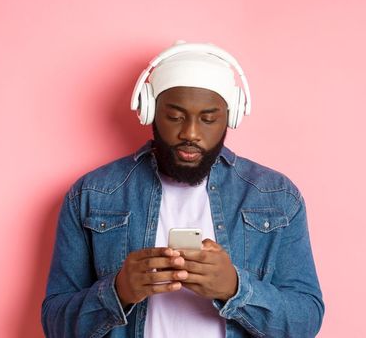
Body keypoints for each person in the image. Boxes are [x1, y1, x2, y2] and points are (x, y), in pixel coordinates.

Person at [41, 41, 324, 337]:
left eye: (208, 119)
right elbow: (55, 324)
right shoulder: (91, 194)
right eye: (175, 117)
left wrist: (235, 289)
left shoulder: (276, 196)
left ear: (232, 115)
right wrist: (118, 291)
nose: (190, 133)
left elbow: (305, 321)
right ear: (149, 111)